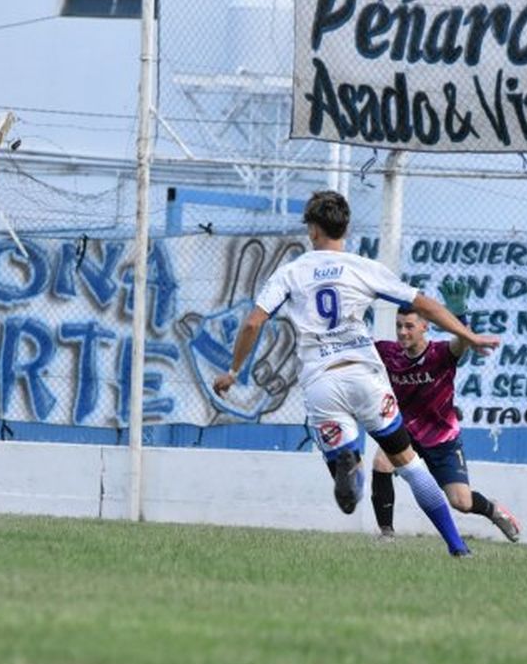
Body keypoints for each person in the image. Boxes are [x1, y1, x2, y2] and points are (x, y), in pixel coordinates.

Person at [212, 190, 500, 557]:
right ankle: (457, 547)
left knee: (347, 489)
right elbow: (423, 303)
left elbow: (253, 323)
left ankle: (350, 462)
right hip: (366, 377)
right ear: (345, 228)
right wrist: (468, 335)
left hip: (321, 382)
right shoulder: (361, 267)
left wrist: (234, 370)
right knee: (409, 465)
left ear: (313, 230)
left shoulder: (291, 272)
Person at [369, 306, 520, 542]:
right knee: (381, 462)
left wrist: (460, 319)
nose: (402, 332)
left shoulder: (440, 353)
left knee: (462, 501)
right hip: (405, 432)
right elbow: (357, 346)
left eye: (409, 326)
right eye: (399, 325)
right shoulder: (388, 352)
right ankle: (386, 533)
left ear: (424, 327)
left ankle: (493, 510)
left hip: (441, 438)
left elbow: (461, 343)